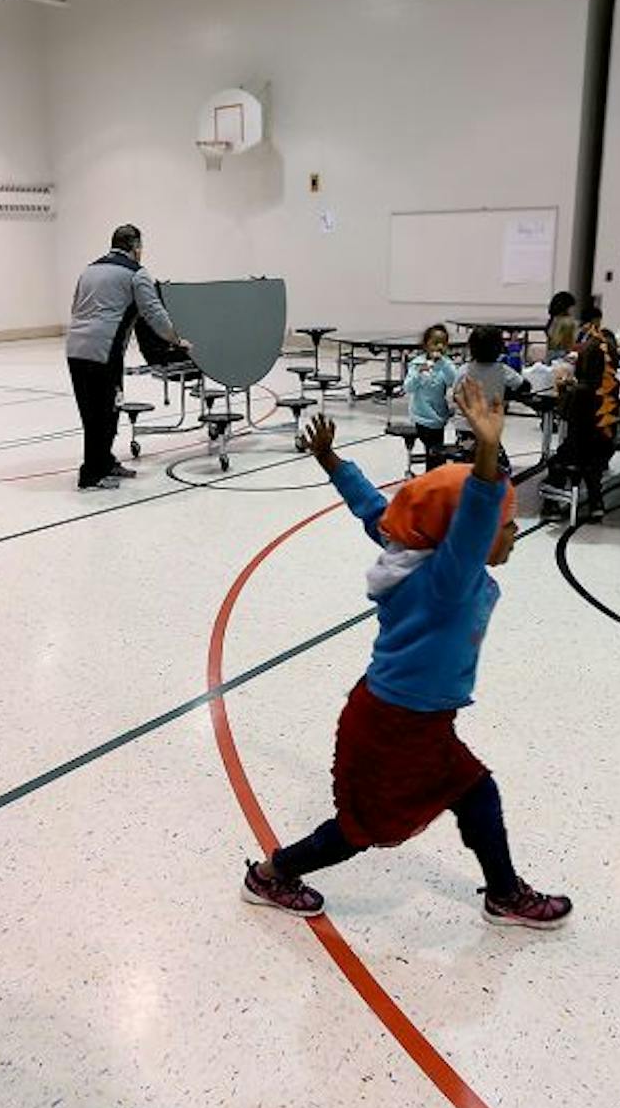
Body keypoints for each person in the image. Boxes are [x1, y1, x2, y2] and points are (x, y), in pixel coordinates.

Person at [240, 384, 571, 928]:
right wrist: (487, 452)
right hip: (392, 727)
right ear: (471, 534)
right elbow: (475, 516)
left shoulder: (414, 554)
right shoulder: (448, 580)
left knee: (475, 789)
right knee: (360, 831)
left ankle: (505, 894)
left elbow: (375, 510)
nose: (514, 533)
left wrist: (331, 461)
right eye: (507, 525)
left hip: (416, 720)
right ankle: (271, 876)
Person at [64, 224, 185, 491]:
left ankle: (104, 462)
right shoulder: (136, 273)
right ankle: (91, 475)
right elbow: (154, 313)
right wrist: (177, 340)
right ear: (135, 247)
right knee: (105, 412)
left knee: (93, 412)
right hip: (104, 352)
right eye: (141, 247)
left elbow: (76, 306)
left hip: (75, 349)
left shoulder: (89, 270)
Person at [548, 301, 620, 521]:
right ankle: (596, 502)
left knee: (558, 460)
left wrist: (563, 390)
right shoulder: (612, 388)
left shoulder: (579, 391)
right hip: (605, 447)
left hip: (578, 446)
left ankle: (551, 504)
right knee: (593, 464)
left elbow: (563, 414)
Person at [403, 323, 460, 466]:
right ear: (426, 344)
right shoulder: (417, 364)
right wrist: (419, 373)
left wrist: (443, 365)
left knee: (436, 456)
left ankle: (434, 474)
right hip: (421, 416)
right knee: (433, 453)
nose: (439, 347)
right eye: (435, 343)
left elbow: (454, 381)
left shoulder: (446, 364)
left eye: (443, 343)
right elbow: (408, 387)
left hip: (438, 417)